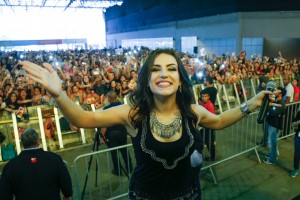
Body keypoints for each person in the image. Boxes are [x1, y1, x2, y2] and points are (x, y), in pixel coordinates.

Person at [20, 48, 279, 200]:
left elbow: (220, 120)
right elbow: (83, 118)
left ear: (180, 78)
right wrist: (59, 94)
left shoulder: (192, 112)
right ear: (147, 79)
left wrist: (253, 104)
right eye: (155, 69)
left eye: (171, 68)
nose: (163, 74)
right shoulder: (133, 114)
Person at [0, 128, 72, 200]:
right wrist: (67, 194)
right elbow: (65, 182)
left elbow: (4, 194)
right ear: (38, 141)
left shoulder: (11, 165)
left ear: (22, 143)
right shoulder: (54, 159)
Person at [102, 91, 133, 176]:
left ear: (109, 98)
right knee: (124, 151)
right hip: (122, 132)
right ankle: (130, 168)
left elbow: (104, 124)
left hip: (111, 133)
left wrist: (102, 136)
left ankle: (118, 171)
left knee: (114, 153)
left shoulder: (106, 109)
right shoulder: (123, 106)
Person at [263, 87, 286, 165]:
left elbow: (272, 113)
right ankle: (273, 155)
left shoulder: (281, 103)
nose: (274, 92)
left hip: (274, 125)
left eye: (276, 91)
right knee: (272, 142)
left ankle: (272, 159)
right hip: (272, 124)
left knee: (272, 142)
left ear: (280, 94)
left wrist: (268, 107)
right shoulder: (276, 101)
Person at [199, 90, 216, 161]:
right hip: (204, 126)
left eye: (205, 96)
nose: (203, 98)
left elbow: (211, 118)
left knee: (209, 142)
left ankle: (213, 157)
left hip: (209, 126)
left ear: (208, 97)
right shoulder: (202, 103)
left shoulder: (210, 105)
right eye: (202, 96)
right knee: (201, 138)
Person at [290, 106, 300, 177]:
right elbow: (293, 124)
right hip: (298, 137)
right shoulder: (299, 113)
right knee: (297, 154)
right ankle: (296, 169)